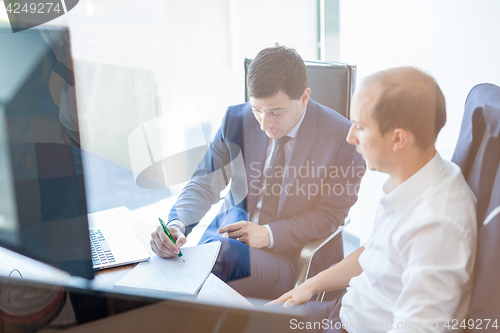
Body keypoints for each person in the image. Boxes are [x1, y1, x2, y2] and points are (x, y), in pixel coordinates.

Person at [268, 67, 478, 332]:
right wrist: (310, 286)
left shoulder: (436, 226)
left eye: (361, 127)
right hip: (344, 311)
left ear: (398, 139)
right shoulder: (408, 182)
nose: (350, 136)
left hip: (352, 327)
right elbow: (374, 252)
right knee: (246, 321)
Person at [150, 45, 365, 299]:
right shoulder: (236, 119)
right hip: (225, 243)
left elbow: (329, 215)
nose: (264, 123)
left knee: (207, 269)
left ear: (305, 98)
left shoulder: (343, 138)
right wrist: (177, 225)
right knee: (178, 266)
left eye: (276, 112)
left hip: (287, 255)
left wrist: (269, 235)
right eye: (257, 109)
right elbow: (205, 182)